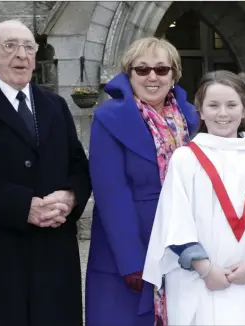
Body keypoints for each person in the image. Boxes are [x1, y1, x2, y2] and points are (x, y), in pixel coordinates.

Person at [0, 20, 92, 326]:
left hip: (56, 254)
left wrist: (70, 196)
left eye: (28, 47)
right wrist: (24, 206)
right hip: (0, 257)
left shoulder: (55, 105)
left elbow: (78, 166)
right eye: (9, 46)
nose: (21, 55)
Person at [143, 70, 245, 325]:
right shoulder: (186, 159)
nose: (222, 113)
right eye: (213, 105)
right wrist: (205, 269)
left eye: (231, 105)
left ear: (244, 110)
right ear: (200, 111)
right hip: (199, 282)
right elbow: (174, 221)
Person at [86, 37, 199, 326]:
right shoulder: (109, 117)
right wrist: (131, 260)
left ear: (174, 74)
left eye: (161, 70)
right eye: (142, 69)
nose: (152, 76)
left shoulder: (190, 117)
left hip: (182, 240)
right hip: (128, 242)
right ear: (129, 73)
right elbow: (111, 193)